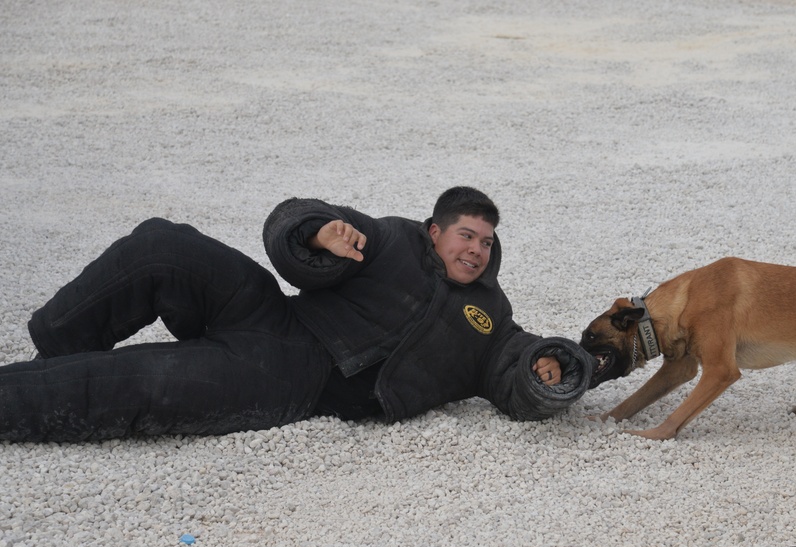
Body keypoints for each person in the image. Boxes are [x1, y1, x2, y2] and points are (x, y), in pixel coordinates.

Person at [0, 186, 592, 442]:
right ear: (435, 231)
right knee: (163, 245)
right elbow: (299, 215)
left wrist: (551, 368)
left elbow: (515, 365)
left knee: (137, 383)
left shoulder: (489, 312)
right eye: (467, 235)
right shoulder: (389, 239)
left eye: (486, 242)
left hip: (298, 378)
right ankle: (56, 344)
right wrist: (314, 235)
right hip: (275, 315)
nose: (476, 250)